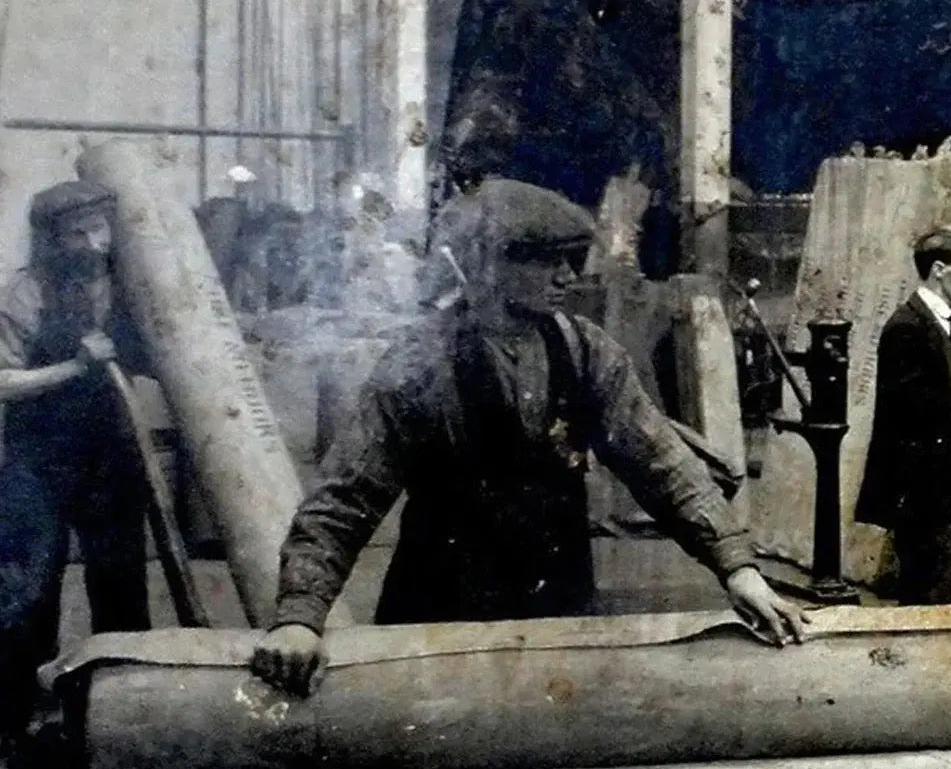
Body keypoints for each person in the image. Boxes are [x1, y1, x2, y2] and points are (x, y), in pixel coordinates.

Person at [250, 179, 806, 695]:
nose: (568, 277)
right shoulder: (421, 367)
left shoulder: (586, 353)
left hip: (556, 612)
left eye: (572, 260)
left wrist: (739, 568)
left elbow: (662, 464)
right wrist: (300, 617)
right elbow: (344, 500)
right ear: (485, 264)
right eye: (547, 262)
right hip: (439, 622)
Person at [0, 180, 153, 740]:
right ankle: (17, 723)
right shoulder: (24, 293)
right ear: (51, 241)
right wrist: (73, 368)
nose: (93, 244)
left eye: (101, 229)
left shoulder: (127, 284)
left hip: (109, 455)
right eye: (77, 235)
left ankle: (127, 714)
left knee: (121, 586)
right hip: (37, 461)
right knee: (30, 592)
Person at [855, 229, 951, 605]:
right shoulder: (907, 327)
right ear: (939, 270)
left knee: (942, 581)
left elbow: (945, 388)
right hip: (920, 489)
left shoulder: (940, 321)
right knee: (926, 588)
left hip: (941, 486)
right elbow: (909, 407)